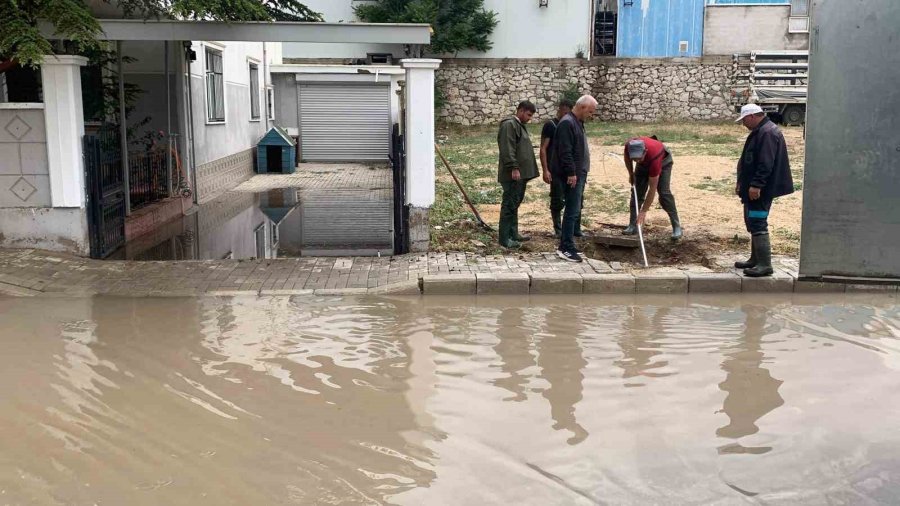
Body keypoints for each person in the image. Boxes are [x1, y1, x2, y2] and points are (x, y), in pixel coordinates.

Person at [733, 104, 794, 277]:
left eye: (744, 120)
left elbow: (765, 163)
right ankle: (755, 259)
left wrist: (756, 185)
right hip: (753, 186)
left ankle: (765, 264)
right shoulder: (761, 131)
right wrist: (742, 182)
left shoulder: (767, 133)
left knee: (758, 222)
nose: (743, 124)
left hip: (761, 189)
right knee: (753, 221)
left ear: (752, 116)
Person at [550, 95, 598, 263]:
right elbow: (565, 151)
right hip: (571, 175)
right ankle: (566, 248)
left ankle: (568, 243)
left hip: (578, 173)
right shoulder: (567, 123)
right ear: (583, 107)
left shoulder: (577, 122)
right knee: (571, 210)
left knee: (574, 210)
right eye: (590, 112)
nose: (591, 115)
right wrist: (571, 173)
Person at [496, 100, 539, 249]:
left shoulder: (519, 125)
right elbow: (507, 148)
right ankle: (504, 239)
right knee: (509, 204)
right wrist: (514, 167)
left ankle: (513, 234)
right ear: (520, 111)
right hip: (512, 174)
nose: (529, 118)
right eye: (528, 114)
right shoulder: (509, 125)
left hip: (520, 175)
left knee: (514, 204)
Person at [622, 137, 683, 240]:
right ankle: (633, 225)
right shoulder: (629, 146)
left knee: (664, 193)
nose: (636, 161)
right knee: (636, 192)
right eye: (634, 159)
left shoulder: (654, 157)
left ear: (645, 152)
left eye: (638, 158)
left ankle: (676, 226)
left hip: (663, 162)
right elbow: (627, 159)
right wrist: (631, 173)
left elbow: (652, 189)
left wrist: (643, 211)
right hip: (644, 164)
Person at [539, 99, 580, 238]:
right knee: (557, 199)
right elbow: (543, 148)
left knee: (575, 199)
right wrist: (545, 170)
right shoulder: (550, 125)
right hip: (556, 170)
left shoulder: (573, 124)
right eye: (565, 112)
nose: (567, 115)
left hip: (570, 169)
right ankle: (558, 229)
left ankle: (573, 229)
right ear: (560, 110)